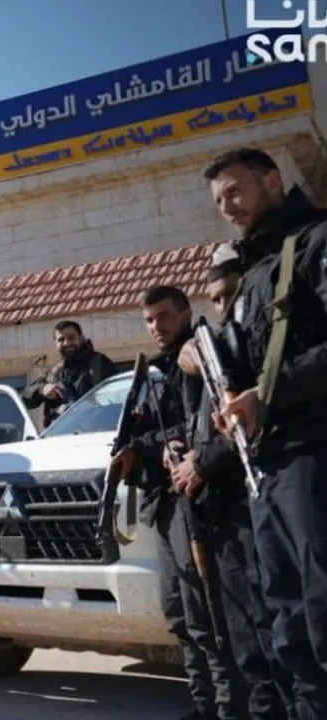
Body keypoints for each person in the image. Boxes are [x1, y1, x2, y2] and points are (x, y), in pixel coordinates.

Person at [202, 147, 327, 717]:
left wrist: (268, 395)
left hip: (313, 451)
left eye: (234, 192)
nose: (226, 207)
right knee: (288, 617)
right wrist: (231, 406)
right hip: (268, 465)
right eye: (218, 200)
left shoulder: (315, 244)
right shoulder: (256, 270)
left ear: (272, 182)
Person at [113, 286, 242, 718]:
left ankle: (225, 707)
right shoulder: (158, 372)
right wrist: (140, 449)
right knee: (179, 615)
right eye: (149, 320)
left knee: (207, 616)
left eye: (164, 316)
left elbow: (208, 425)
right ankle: (203, 702)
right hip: (166, 504)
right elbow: (157, 432)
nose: (157, 327)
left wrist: (169, 444)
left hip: (203, 503)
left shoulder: (199, 358)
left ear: (186, 312)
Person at [178, 261, 295, 719]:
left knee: (280, 639)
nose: (226, 306)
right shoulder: (216, 348)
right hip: (222, 513)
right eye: (219, 298)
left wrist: (201, 462)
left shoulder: (263, 347)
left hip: (263, 506)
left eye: (232, 295)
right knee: (243, 640)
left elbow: (252, 425)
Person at [21, 320, 120, 428]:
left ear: (81, 338)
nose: (66, 343)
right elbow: (24, 397)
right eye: (61, 340)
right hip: (61, 437)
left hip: (94, 433)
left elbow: (120, 398)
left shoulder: (101, 364)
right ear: (56, 343)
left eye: (71, 337)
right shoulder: (55, 373)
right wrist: (42, 390)